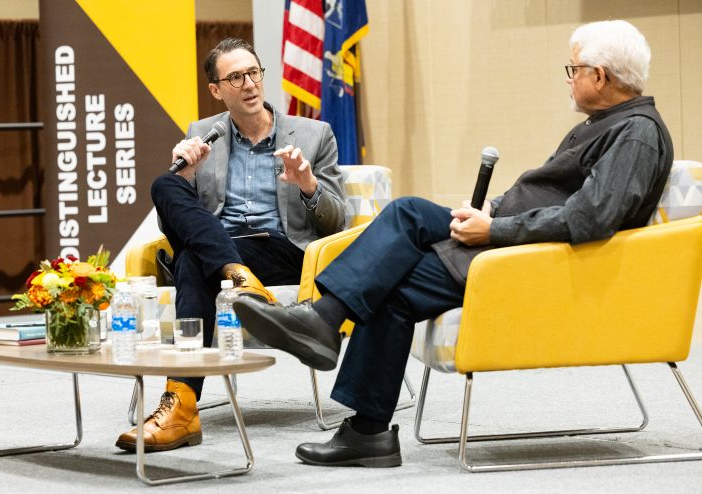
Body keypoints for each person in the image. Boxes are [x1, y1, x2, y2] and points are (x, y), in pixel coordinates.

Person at [233, 20, 673, 468]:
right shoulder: (606, 124)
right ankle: (328, 335)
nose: (569, 78)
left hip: (529, 261)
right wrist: (486, 212)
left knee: (393, 281)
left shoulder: (635, 134)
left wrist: (494, 230)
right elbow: (551, 194)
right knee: (406, 216)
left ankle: (353, 395)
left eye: (574, 68)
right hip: (510, 242)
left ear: (600, 76)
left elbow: (590, 218)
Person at [115, 38, 346, 452]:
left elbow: (336, 222)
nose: (249, 84)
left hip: (282, 250)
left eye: (253, 73)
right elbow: (175, 222)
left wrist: (307, 185)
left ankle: (181, 407)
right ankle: (236, 278)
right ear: (217, 90)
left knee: (192, 260)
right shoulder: (203, 134)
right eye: (235, 77)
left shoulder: (314, 134)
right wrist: (186, 176)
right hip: (222, 252)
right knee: (166, 188)